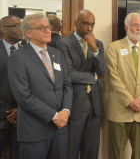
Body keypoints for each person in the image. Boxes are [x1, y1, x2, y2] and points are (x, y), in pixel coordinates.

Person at [7, 13, 72, 159]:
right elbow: (23, 96)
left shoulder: (57, 54)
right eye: (41, 28)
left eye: (48, 27)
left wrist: (66, 111)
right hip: (34, 132)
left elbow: (67, 85)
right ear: (28, 33)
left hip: (60, 130)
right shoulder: (18, 57)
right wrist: (54, 116)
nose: (47, 30)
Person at [56, 9, 107, 159]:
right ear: (75, 22)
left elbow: (103, 72)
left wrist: (94, 49)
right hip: (75, 104)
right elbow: (69, 74)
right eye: (85, 24)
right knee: (71, 149)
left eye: (92, 25)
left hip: (95, 105)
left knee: (91, 150)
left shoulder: (98, 44)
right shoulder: (63, 43)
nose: (89, 28)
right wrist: (94, 77)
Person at [105, 12, 140, 159]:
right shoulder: (113, 48)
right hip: (119, 110)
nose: (139, 29)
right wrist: (130, 101)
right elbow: (113, 78)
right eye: (135, 25)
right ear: (126, 27)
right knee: (116, 154)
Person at [0, 15, 23, 159]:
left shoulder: (27, 52)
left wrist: (21, 109)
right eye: (16, 26)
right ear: (3, 29)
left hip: (22, 116)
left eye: (21, 25)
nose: (20, 29)